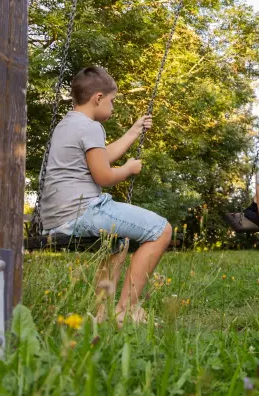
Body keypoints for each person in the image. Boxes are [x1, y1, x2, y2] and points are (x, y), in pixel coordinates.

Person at [39, 66, 172, 326]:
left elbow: (100, 156)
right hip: (82, 211)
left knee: (118, 241)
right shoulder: (91, 127)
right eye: (111, 101)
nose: (112, 108)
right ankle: (127, 311)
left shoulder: (67, 124)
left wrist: (134, 131)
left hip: (57, 215)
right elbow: (104, 176)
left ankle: (101, 314)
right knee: (161, 230)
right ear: (98, 98)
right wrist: (128, 169)